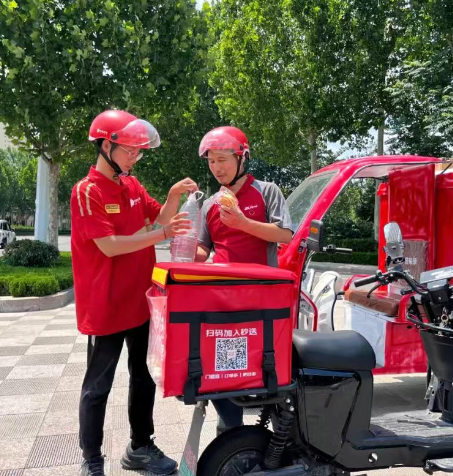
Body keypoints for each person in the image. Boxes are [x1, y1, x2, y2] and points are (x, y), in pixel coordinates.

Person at [71, 109, 198, 476]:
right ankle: (92, 459)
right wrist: (163, 234)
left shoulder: (132, 186)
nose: (134, 157)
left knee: (143, 377)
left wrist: (172, 196)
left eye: (138, 152)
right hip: (106, 305)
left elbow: (161, 218)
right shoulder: (87, 191)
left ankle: (140, 447)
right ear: (105, 145)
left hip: (140, 302)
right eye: (129, 150)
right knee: (98, 386)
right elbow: (110, 245)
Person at [195, 126, 293, 435]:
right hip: (223, 302)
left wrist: (243, 222)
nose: (217, 168)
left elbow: (284, 234)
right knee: (224, 371)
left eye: (222, 159)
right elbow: (204, 248)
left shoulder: (267, 191)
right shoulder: (210, 204)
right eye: (211, 161)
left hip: (262, 301)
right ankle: (229, 438)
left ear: (241, 158)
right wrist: (184, 249)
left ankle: (282, 441)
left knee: (269, 372)